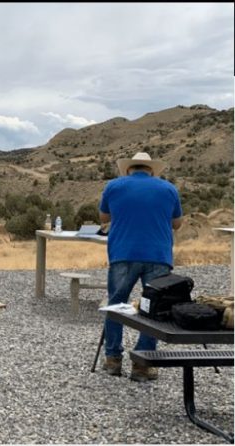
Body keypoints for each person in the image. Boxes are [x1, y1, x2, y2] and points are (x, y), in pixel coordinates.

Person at [99, 152, 182, 382]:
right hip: (158, 255)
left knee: (116, 304)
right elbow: (177, 223)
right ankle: (142, 364)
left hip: (123, 254)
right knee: (153, 309)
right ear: (152, 170)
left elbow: (104, 217)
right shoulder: (168, 189)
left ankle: (113, 359)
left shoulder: (113, 186)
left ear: (128, 169)